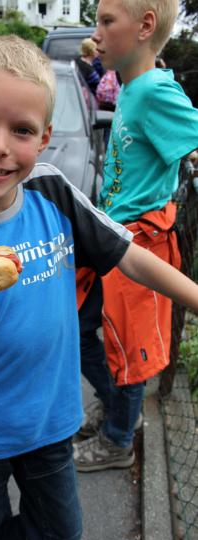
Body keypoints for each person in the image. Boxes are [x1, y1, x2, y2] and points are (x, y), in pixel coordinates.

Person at [0, 35, 198, 540]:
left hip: (51, 424)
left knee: (63, 534)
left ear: (43, 139)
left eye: (21, 130)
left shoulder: (52, 192)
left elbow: (129, 255)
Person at [74, 0, 198, 473]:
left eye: (107, 21)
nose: (97, 33)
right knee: (85, 329)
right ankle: (116, 409)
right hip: (111, 238)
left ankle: (119, 439)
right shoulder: (129, 89)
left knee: (128, 346)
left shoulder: (154, 92)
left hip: (139, 244)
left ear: (145, 27)